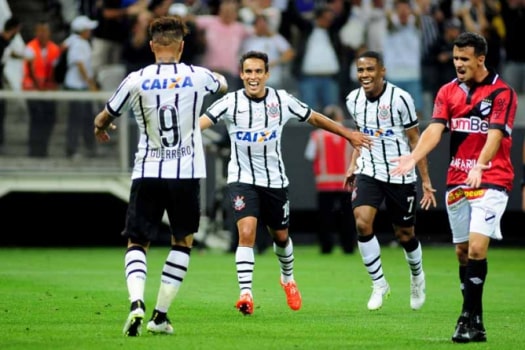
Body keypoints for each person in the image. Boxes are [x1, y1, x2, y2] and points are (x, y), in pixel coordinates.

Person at [199, 50, 372, 316]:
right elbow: (199, 124)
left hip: (275, 182)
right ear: (242, 74)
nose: (253, 77)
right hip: (241, 180)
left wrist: (347, 133)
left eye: (259, 71)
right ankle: (246, 294)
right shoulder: (229, 102)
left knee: (281, 237)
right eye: (248, 72)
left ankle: (287, 278)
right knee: (246, 234)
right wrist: (178, 135)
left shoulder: (282, 100)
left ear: (267, 74)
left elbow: (314, 117)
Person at [93, 15, 228, 337]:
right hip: (186, 173)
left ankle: (136, 301)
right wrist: (215, 77)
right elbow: (222, 84)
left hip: (148, 171)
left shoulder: (135, 79)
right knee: (182, 241)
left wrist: (100, 127)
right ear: (181, 47)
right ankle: (160, 316)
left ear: (152, 45)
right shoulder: (198, 76)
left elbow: (106, 114)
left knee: (137, 241)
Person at [391, 32, 517, 343]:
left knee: (476, 247)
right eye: (455, 58)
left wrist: (479, 164)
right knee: (462, 252)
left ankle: (464, 319)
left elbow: (495, 135)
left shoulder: (502, 92)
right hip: (458, 181)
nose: (458, 64)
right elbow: (435, 130)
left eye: (464, 59)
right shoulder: (447, 92)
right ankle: (477, 321)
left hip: (491, 178)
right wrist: (414, 156)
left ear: (480, 59)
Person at [344, 50, 436, 311]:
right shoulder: (353, 99)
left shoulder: (401, 99)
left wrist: (425, 180)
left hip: (400, 173)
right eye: (361, 70)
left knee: (405, 234)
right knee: (362, 223)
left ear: (382, 71)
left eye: (370, 69)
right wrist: (353, 165)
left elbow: (415, 140)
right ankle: (379, 284)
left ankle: (417, 277)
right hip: (369, 170)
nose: (365, 75)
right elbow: (360, 135)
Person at [304, 104, 356, 254]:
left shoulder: (317, 136)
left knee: (325, 217)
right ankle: (348, 247)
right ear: (340, 117)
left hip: (324, 183)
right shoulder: (350, 133)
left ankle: (326, 247)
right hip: (346, 183)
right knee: (347, 217)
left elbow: (310, 155)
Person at [23, 20, 61, 158]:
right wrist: (39, 87)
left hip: (49, 90)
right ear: (36, 32)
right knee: (36, 119)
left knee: (49, 119)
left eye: (45, 31)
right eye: (40, 31)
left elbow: (56, 70)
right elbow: (30, 69)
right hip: (33, 90)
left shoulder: (54, 49)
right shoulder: (30, 47)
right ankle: (34, 150)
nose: (42, 34)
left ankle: (43, 148)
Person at [63, 15, 99, 159]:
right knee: (76, 119)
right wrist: (91, 83)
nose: (90, 31)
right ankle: (72, 150)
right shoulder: (78, 43)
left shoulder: (79, 42)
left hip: (82, 87)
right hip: (76, 86)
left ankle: (89, 147)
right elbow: (79, 64)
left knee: (87, 118)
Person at [0, 16, 22, 154]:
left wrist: (24, 57)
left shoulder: (5, 44)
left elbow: (9, 54)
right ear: (14, 29)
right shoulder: (1, 43)